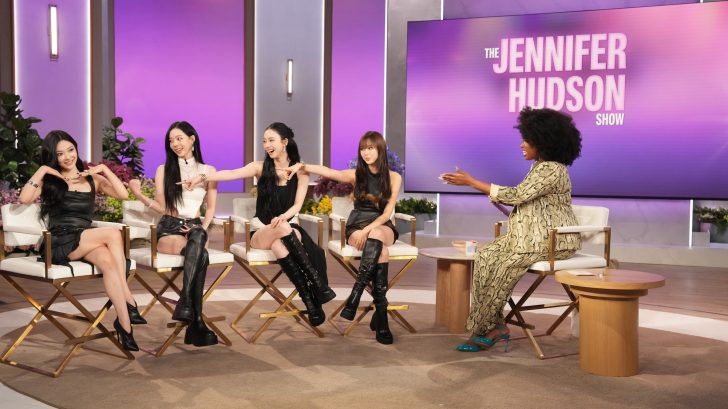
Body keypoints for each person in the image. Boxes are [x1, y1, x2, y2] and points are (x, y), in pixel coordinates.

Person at [441, 107, 583, 352]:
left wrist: (472, 182)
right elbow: (528, 204)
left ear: (543, 141)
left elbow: (518, 195)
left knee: (504, 267)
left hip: (550, 241)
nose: (522, 144)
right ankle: (497, 325)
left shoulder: (553, 169)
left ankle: (483, 328)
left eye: (527, 140)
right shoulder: (539, 167)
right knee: (485, 257)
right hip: (527, 237)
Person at [183, 122, 334, 327]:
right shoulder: (259, 167)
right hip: (260, 231)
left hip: (287, 227)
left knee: (280, 244)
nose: (267, 145)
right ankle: (318, 285)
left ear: (284, 142)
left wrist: (283, 217)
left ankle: (308, 300)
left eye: (271, 140)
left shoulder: (300, 171)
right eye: (264, 141)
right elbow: (230, 173)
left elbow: (298, 205)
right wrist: (202, 177)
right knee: (283, 229)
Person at [18, 130, 146, 352]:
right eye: (60, 154)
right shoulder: (50, 180)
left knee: (107, 261)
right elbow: (24, 198)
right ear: (53, 157)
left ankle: (124, 325)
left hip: (84, 240)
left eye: (70, 150)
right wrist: (43, 170)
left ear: (76, 149)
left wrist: (104, 168)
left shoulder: (92, 179)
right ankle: (129, 300)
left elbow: (123, 195)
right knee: (113, 234)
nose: (67, 157)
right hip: (59, 241)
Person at [285, 131, 401, 345]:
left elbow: (387, 213)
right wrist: (303, 166)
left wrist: (368, 230)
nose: (366, 153)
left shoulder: (394, 177)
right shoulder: (357, 174)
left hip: (381, 225)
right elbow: (330, 172)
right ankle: (381, 312)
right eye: (363, 149)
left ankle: (356, 294)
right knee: (382, 252)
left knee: (377, 234)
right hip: (357, 224)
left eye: (370, 148)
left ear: (380, 149)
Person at [128, 121, 219, 347]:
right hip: (170, 227)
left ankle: (186, 305)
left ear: (192, 139)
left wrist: (202, 228)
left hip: (195, 227)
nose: (175, 144)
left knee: (198, 237)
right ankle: (196, 321)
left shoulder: (208, 171)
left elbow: (211, 209)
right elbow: (161, 207)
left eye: (179, 138)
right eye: (171, 140)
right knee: (201, 255)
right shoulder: (164, 169)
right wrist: (138, 194)